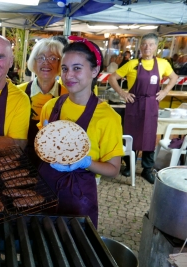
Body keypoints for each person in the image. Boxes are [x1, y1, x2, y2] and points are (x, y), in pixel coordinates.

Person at [38, 36, 124, 228]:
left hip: (78, 199)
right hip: (43, 191)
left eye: (77, 68)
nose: (69, 75)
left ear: (94, 71)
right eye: (65, 68)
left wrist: (85, 162)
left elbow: (113, 170)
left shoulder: (108, 117)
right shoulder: (51, 107)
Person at [108, 33, 178, 184]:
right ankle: (128, 166)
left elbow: (174, 77)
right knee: (131, 135)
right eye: (145, 44)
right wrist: (122, 93)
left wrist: (165, 91)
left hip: (152, 103)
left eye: (151, 44)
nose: (147, 47)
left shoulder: (162, 63)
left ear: (156, 47)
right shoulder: (132, 63)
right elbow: (112, 78)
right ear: (140, 46)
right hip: (134, 103)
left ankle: (147, 169)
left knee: (149, 136)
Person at [17, 38, 64, 167]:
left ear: (61, 64)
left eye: (53, 58)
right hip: (22, 160)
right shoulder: (17, 93)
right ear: (33, 62)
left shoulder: (68, 95)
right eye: (41, 57)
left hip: (54, 162)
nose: (46, 63)